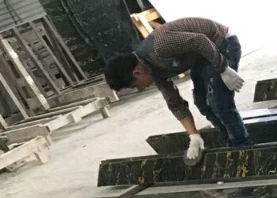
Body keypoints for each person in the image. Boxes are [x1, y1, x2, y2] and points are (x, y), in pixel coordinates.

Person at [104, 17, 248, 164]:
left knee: (218, 102)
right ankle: (230, 143)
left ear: (137, 73)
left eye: (135, 86)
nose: (140, 89)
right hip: (200, 57)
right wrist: (194, 136)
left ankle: (242, 150)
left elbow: (200, 40)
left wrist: (223, 68)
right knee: (203, 103)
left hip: (220, 42)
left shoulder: (160, 46)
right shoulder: (152, 70)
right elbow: (174, 102)